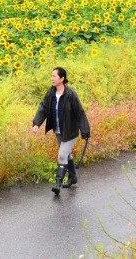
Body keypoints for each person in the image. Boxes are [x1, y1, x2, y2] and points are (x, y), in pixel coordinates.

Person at [32, 67, 90, 195]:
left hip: (70, 131)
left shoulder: (70, 94)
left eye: (54, 76)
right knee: (67, 154)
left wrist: (85, 131)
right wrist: (37, 123)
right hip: (58, 130)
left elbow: (80, 112)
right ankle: (73, 177)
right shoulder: (51, 92)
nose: (52, 78)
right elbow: (43, 107)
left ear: (62, 78)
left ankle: (58, 183)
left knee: (62, 155)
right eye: (51, 76)